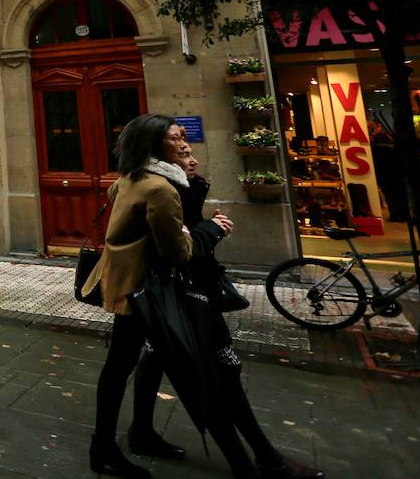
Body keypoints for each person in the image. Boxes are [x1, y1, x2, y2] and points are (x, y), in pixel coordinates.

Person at [130, 143, 323, 478]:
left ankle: (141, 433)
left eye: (188, 146)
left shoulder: (175, 186)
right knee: (213, 376)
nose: (189, 155)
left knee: (159, 357)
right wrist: (212, 228)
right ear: (158, 156)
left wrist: (194, 193)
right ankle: (257, 459)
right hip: (181, 295)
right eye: (178, 147)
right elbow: (179, 249)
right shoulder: (158, 190)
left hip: (182, 294)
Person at [81, 114, 195, 478]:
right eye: (175, 137)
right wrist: (198, 232)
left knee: (125, 363)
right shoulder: (160, 189)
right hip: (145, 292)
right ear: (154, 144)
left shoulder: (129, 180)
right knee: (123, 365)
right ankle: (109, 445)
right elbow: (176, 251)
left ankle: (124, 438)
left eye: (183, 136)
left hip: (128, 286)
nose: (184, 143)